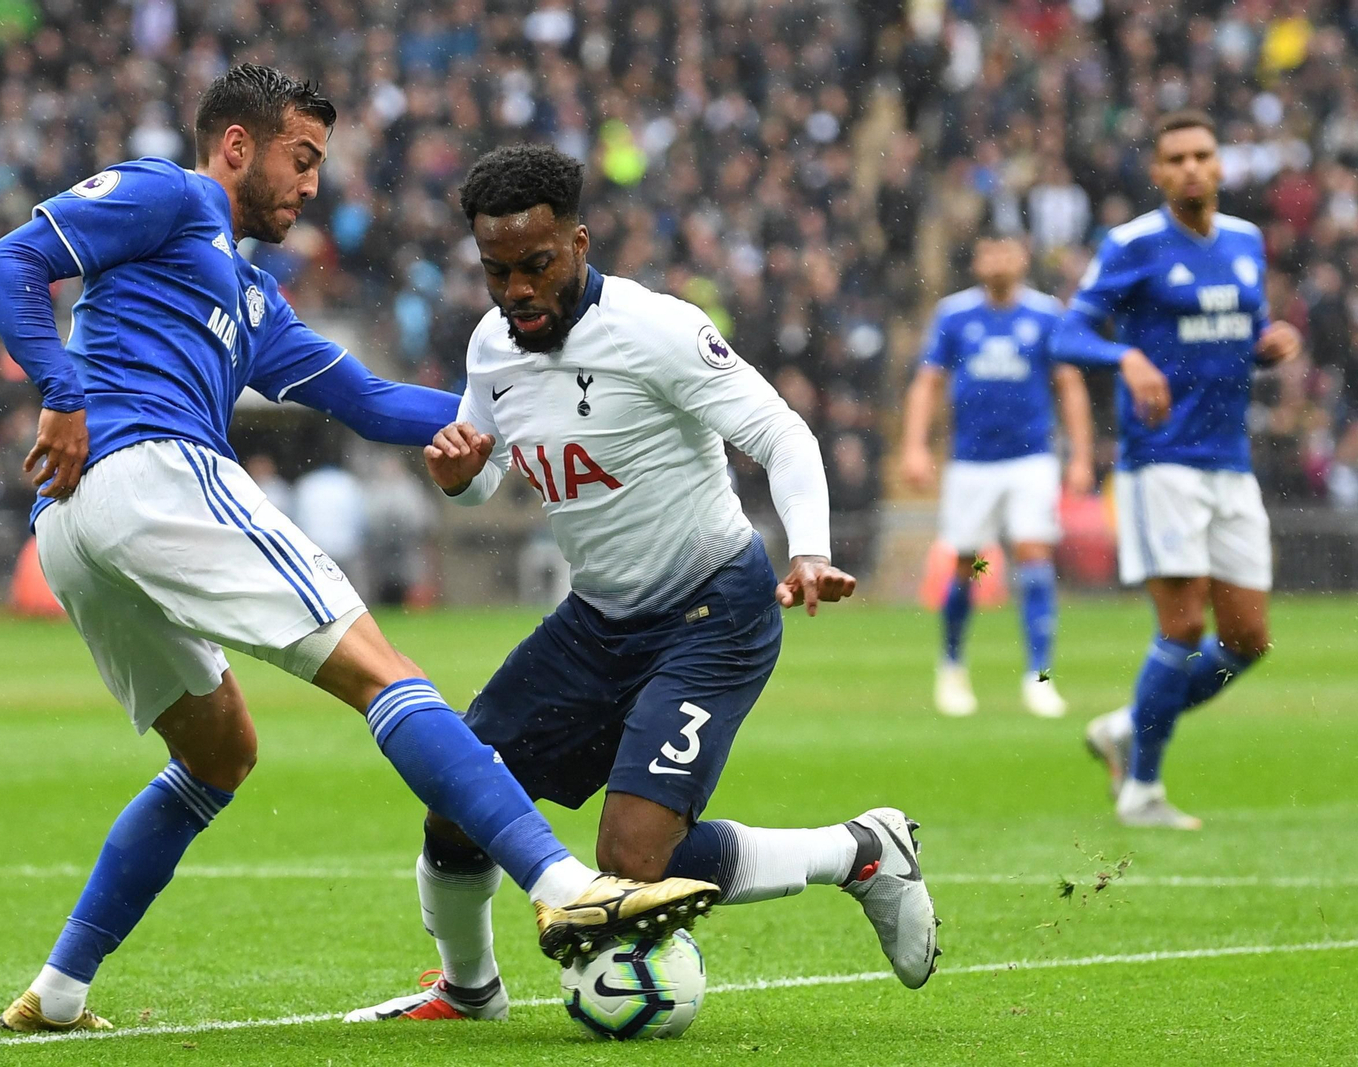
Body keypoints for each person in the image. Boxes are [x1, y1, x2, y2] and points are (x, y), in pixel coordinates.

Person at [0, 67, 717, 1035]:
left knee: (221, 752)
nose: (313, 183)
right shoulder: (169, 194)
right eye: (303, 157)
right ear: (236, 145)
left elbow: (365, 401)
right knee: (384, 669)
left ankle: (58, 991)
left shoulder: (249, 299)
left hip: (78, 525)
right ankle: (564, 881)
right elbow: (7, 264)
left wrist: (508, 423)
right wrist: (61, 387)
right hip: (145, 466)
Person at [346, 145, 938, 1024]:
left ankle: (859, 851)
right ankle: (469, 988)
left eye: (536, 265)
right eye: (497, 271)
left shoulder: (657, 328)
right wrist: (458, 474)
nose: (516, 290)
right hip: (595, 622)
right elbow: (485, 471)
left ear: (579, 243)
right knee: (457, 799)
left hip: (713, 610)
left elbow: (785, 436)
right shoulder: (489, 347)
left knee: (633, 858)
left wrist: (808, 550)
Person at [1049, 111, 1301, 829]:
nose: (1192, 167)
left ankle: (1127, 725)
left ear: (1220, 166)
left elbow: (1233, 328)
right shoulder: (1133, 245)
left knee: (1248, 639)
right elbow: (1069, 331)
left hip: (1230, 461)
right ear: (1158, 173)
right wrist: (1123, 356)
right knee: (1184, 623)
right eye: (1176, 158)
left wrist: (1266, 342)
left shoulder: (1248, 242)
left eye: (1202, 154)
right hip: (1160, 462)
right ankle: (1142, 790)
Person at [900, 234, 1094, 718]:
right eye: (989, 251)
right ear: (977, 260)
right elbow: (928, 383)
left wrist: (1081, 457)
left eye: (1006, 251)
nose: (998, 260)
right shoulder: (955, 315)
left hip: (1031, 461)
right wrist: (915, 446)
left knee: (1033, 557)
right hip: (971, 464)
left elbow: (1069, 385)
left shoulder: (1046, 314)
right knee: (969, 565)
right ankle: (952, 666)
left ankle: (1040, 677)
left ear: (1023, 258)